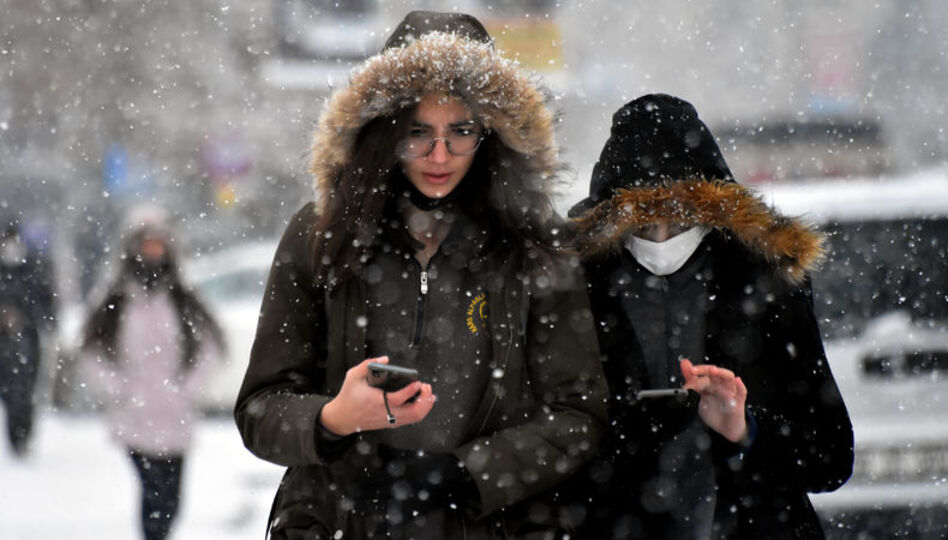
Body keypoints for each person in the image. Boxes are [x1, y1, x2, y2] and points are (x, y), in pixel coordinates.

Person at [234, 10, 608, 540]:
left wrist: (467, 474)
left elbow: (577, 415)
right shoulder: (319, 233)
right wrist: (333, 418)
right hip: (341, 523)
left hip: (490, 527)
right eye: (417, 133)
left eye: (461, 132)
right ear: (383, 133)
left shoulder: (536, 244)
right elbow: (260, 409)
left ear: (493, 134)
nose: (439, 155)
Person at [565, 94, 854, 539]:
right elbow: (545, 454)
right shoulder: (574, 290)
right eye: (642, 225)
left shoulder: (765, 283)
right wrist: (619, 436)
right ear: (612, 223)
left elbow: (830, 458)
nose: (661, 240)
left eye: (680, 220)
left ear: (712, 214)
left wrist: (744, 429)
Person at [80, 214, 223, 540]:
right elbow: (90, 350)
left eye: (160, 245)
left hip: (174, 416)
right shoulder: (116, 299)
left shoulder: (182, 299)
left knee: (172, 497)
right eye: (148, 245)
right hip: (135, 416)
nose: (154, 252)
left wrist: (187, 388)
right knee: (152, 494)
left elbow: (212, 347)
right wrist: (119, 387)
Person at [0, 220, 56, 457]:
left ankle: (21, 436)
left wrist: (24, 317)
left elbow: (47, 306)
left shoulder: (33, 269)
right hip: (5, 341)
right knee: (10, 390)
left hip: (26, 341)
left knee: (23, 390)